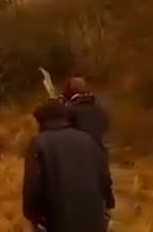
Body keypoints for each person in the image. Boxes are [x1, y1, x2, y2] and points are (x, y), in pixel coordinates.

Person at [22, 100, 115, 232]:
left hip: (56, 222)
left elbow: (33, 185)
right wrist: (109, 204)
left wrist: (33, 216)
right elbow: (104, 176)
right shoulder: (87, 140)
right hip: (93, 219)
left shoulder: (39, 144)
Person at [62, 77, 110, 150]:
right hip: (97, 150)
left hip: (78, 151)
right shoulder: (99, 108)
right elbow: (105, 126)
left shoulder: (69, 110)